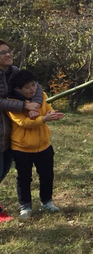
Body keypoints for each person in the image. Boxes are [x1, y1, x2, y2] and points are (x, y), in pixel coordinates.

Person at [6, 70, 64, 219]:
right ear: (18, 89)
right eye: (27, 87)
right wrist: (43, 119)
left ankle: (47, 201)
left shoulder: (42, 96)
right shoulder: (13, 103)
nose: (32, 89)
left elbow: (47, 109)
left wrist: (53, 115)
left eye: (33, 85)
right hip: (22, 148)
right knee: (24, 178)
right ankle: (25, 206)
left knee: (47, 175)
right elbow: (23, 123)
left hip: (44, 145)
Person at [0, 40, 42, 221]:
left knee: (4, 169)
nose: (8, 54)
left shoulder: (15, 72)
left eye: (8, 51)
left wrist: (36, 104)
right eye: (2, 53)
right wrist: (25, 105)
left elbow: (37, 87)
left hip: (11, 132)